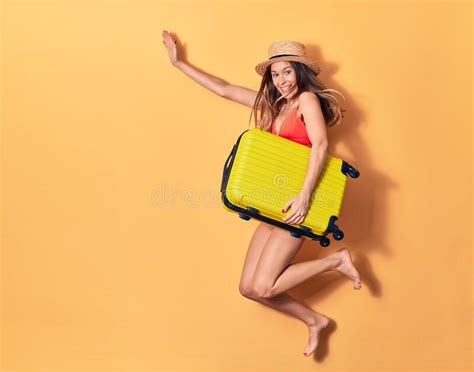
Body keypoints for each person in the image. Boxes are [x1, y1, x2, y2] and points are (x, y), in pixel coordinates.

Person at [162, 31, 361, 358]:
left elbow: (321, 145)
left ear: (300, 71)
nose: (282, 80)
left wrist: (304, 196)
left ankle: (336, 261)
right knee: (249, 289)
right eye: (275, 73)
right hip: (271, 203)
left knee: (265, 286)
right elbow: (224, 88)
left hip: (297, 205)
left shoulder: (307, 100)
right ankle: (314, 320)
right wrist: (179, 62)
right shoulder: (272, 104)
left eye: (287, 71)